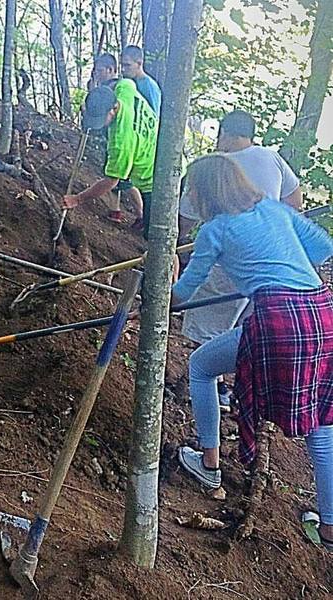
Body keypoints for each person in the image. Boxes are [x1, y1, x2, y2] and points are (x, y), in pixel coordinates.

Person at [172, 154, 333, 550]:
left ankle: (209, 464)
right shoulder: (274, 208)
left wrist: (160, 295)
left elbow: (185, 291)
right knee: (323, 420)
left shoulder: (215, 230)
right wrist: (278, 268)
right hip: (323, 310)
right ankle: (330, 526)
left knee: (200, 366)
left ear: (204, 192)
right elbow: (323, 247)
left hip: (279, 319)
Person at [178, 110, 303, 406]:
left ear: (225, 134)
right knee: (245, 328)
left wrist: (178, 244)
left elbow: (184, 219)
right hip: (268, 268)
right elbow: (295, 201)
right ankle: (241, 391)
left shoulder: (216, 169)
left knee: (207, 326)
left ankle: (215, 387)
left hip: (229, 262)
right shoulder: (271, 158)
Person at [63, 79, 158, 238]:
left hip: (155, 183)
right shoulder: (125, 88)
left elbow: (111, 181)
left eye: (102, 118)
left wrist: (77, 199)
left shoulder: (121, 143)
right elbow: (126, 82)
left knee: (155, 237)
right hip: (165, 158)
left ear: (113, 108)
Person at [121, 45, 162, 115]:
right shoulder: (126, 84)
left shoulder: (150, 86)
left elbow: (154, 117)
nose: (123, 69)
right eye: (122, 65)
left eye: (128, 65)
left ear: (139, 63)